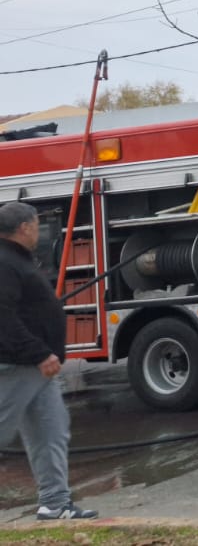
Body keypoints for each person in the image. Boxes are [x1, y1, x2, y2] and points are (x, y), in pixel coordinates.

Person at [0, 202, 98, 521]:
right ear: (25, 227)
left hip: (39, 369)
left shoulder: (18, 260)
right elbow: (3, 316)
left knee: (51, 433)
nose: (38, 232)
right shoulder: (5, 262)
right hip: (16, 366)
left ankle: (55, 503)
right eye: (36, 225)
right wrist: (38, 353)